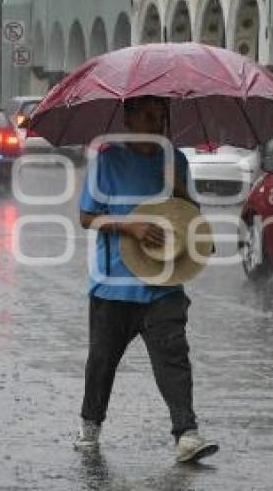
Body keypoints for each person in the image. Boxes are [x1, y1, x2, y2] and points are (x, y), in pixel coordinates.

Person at [75, 95, 218, 463]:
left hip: (164, 281)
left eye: (162, 115)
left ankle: (186, 433)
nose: (158, 123)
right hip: (114, 285)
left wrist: (177, 186)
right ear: (129, 118)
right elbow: (87, 217)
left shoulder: (176, 159)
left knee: (174, 358)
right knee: (102, 360)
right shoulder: (107, 159)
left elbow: (191, 215)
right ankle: (90, 426)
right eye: (150, 115)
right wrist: (132, 227)